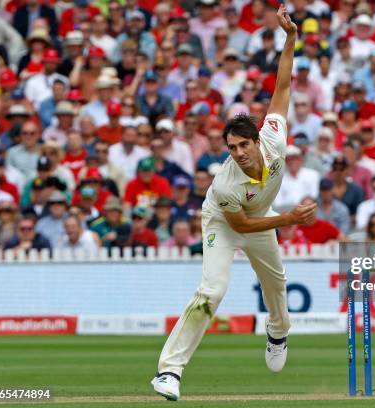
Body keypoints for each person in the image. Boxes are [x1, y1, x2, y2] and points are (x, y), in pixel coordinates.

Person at [152, 8, 315, 401]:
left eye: (243, 145)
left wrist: (291, 39)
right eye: (232, 148)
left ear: (256, 141)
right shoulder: (225, 182)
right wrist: (288, 218)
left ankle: (278, 333)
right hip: (225, 221)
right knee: (212, 291)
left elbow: (283, 88)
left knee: (276, 283)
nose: (239, 153)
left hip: (259, 217)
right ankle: (168, 372)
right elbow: (239, 226)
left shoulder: (273, 138)